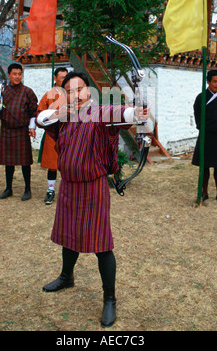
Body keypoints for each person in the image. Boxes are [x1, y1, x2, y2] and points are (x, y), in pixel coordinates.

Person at [37, 71, 150, 327]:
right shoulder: (63, 118)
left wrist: (137, 113)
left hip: (93, 187)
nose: (75, 95)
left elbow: (123, 113)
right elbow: (41, 119)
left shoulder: (101, 113)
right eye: (69, 91)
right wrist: (59, 112)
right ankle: (67, 277)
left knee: (101, 244)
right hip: (69, 187)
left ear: (88, 92)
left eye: (79, 89)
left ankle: (110, 299)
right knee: (68, 235)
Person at [0, 63, 38, 201]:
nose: (17, 76)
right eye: (14, 74)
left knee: (25, 162)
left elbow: (33, 112)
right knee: (8, 162)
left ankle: (27, 189)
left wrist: (31, 127)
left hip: (21, 131)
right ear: (9, 75)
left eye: (19, 74)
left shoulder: (28, 91)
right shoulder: (2, 91)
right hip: (6, 130)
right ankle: (8, 188)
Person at [192, 69, 217, 203]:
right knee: (205, 165)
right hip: (206, 135)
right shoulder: (201, 97)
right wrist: (203, 128)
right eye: (214, 81)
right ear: (208, 82)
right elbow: (197, 115)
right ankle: (204, 192)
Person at [37, 67, 68, 204]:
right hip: (52, 133)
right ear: (55, 78)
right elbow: (40, 112)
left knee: (69, 163)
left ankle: (68, 191)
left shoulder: (72, 94)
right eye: (61, 77)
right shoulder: (49, 94)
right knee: (52, 164)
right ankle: (50, 190)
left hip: (69, 133)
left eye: (66, 76)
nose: (64, 79)